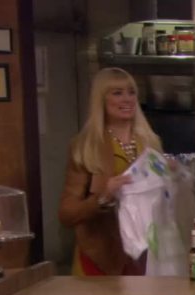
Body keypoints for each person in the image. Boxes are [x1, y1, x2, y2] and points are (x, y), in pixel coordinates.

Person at [59, 67, 163, 275]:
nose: (127, 99)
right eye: (117, 93)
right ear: (101, 100)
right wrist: (102, 197)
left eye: (131, 92)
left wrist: (171, 178)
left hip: (145, 255)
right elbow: (67, 214)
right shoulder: (85, 147)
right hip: (100, 257)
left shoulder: (151, 143)